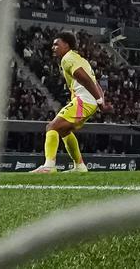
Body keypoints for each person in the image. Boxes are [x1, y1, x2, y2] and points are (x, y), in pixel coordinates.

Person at [30, 31, 108, 174]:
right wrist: (101, 101)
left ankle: (49, 166)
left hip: (83, 101)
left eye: (56, 44)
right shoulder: (80, 59)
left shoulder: (68, 59)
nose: (53, 47)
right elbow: (95, 82)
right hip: (88, 102)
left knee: (52, 127)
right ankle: (79, 166)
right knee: (64, 131)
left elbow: (85, 79)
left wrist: (99, 100)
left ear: (66, 45)